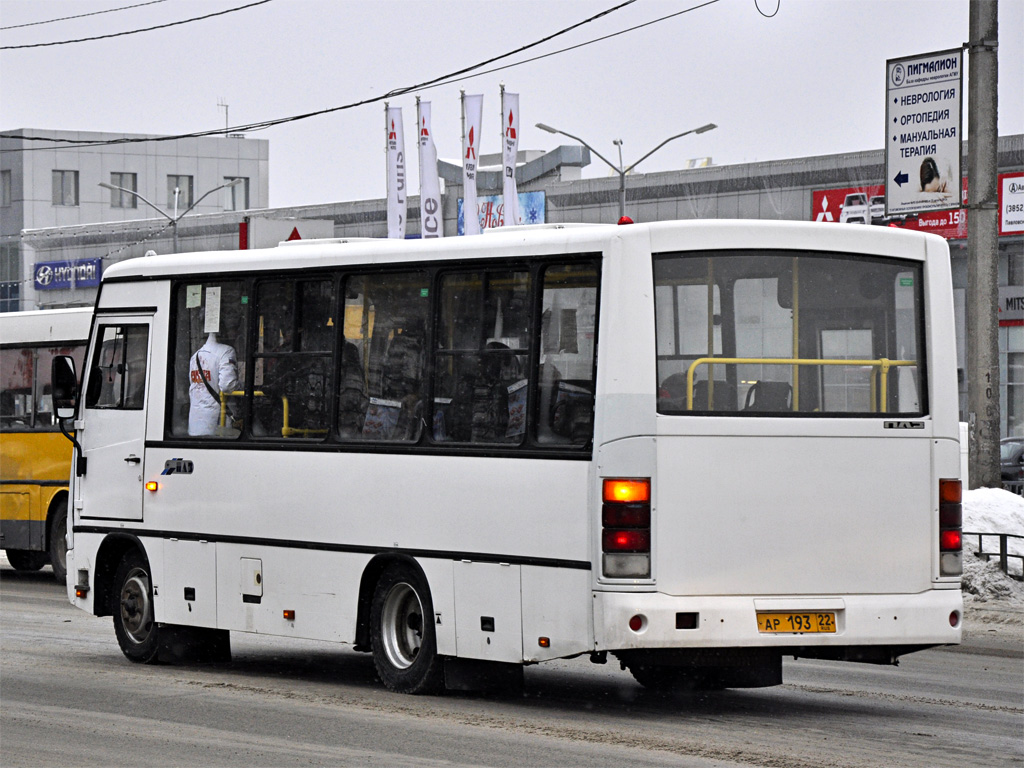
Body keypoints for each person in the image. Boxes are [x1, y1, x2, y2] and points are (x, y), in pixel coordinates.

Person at [188, 332, 239, 436]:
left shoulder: (195, 356)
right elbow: (227, 386)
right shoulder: (226, 351)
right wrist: (242, 385)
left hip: (195, 422)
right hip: (216, 423)